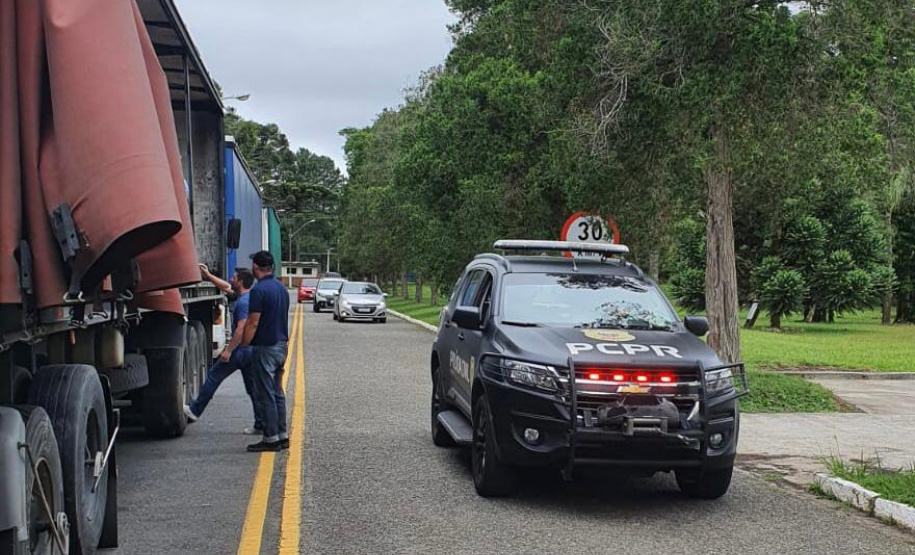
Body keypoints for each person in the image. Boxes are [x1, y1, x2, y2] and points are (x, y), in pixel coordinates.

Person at [183, 265, 263, 434]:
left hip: (240, 351)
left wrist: (228, 350)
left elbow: (241, 328)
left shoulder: (242, 303)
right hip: (250, 351)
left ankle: (195, 410)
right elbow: (226, 287)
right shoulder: (248, 296)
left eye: (234, 278)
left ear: (240, 282)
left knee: (213, 376)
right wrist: (208, 275)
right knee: (252, 388)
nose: (231, 280)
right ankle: (260, 423)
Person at [242, 251, 291, 452]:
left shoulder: (258, 290)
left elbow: (253, 322)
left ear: (256, 267)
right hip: (281, 345)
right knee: (278, 392)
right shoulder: (281, 288)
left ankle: (270, 438)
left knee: (265, 393)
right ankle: (282, 435)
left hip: (266, 347)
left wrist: (244, 344)